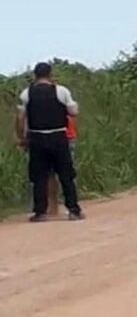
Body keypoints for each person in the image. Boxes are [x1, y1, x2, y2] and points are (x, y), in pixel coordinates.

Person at [15, 63, 84, 222]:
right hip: (58, 136)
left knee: (39, 176)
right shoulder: (61, 91)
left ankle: (40, 212)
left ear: (35, 75)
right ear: (50, 74)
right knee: (66, 175)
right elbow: (73, 112)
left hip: (36, 137)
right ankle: (73, 210)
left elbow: (20, 117)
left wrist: (21, 137)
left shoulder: (27, 93)